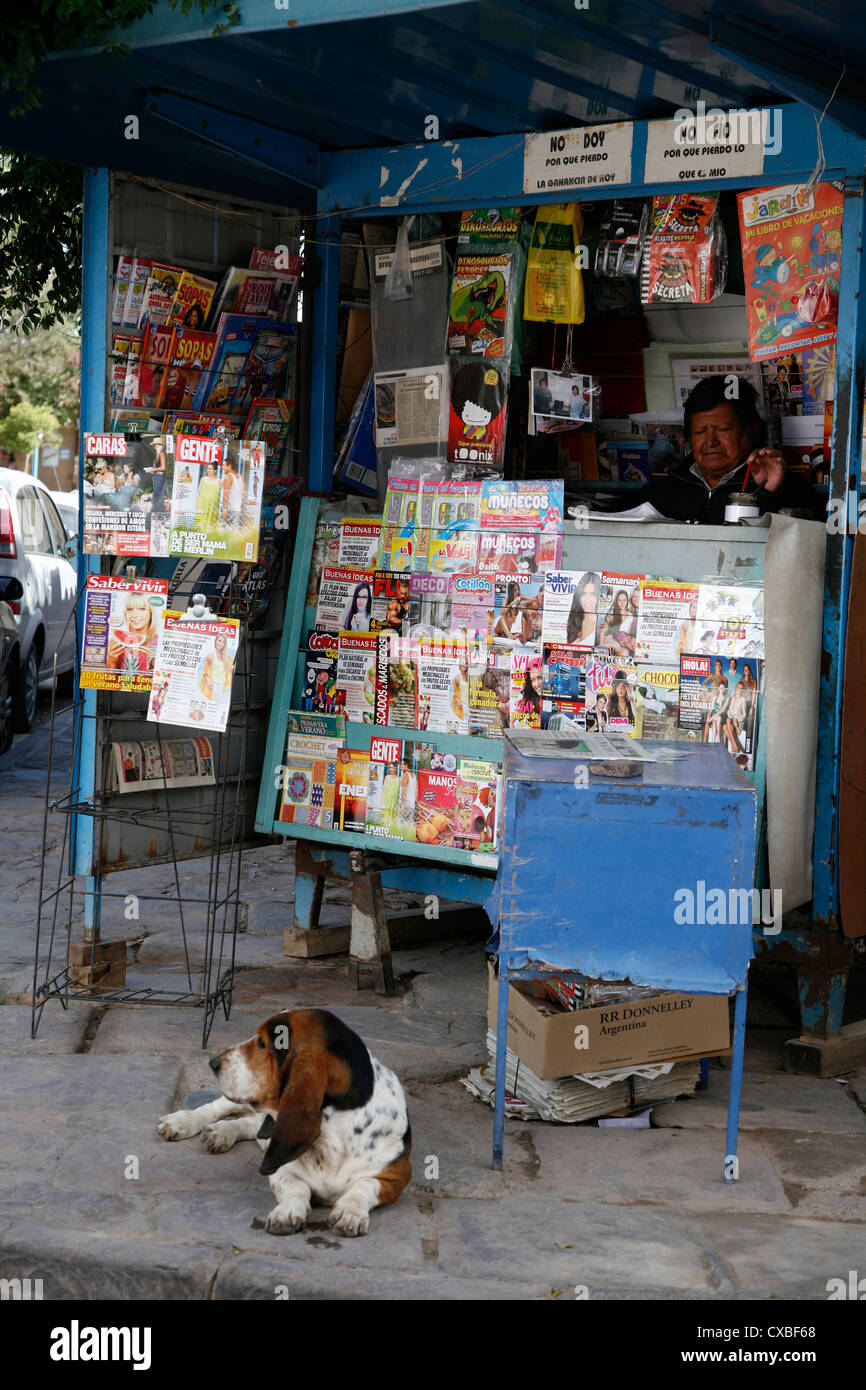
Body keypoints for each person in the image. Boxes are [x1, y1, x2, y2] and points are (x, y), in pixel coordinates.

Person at [609, 375, 820, 523]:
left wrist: (774, 492)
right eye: (700, 431)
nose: (710, 442)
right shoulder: (664, 491)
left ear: (751, 431)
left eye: (723, 429)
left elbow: (814, 536)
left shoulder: (782, 486)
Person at [106, 593, 159, 674]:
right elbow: (108, 683)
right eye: (130, 609)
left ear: (151, 612)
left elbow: (163, 683)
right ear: (125, 613)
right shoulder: (115, 644)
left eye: (142, 609)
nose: (134, 615)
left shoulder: (159, 643)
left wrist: (154, 665)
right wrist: (111, 661)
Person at [596, 589, 636, 656]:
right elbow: (602, 632)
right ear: (616, 601)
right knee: (614, 643)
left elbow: (627, 634)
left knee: (625, 652)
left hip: (620, 643)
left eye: (624, 600)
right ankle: (599, 651)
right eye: (619, 600)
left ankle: (599, 650)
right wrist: (601, 643)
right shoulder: (611, 614)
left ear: (627, 601)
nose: (622, 603)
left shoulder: (630, 616)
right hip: (609, 639)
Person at [566, 572, 600, 645]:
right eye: (584, 594)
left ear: (598, 596)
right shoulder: (574, 622)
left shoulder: (600, 625)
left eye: (592, 594)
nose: (587, 599)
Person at [199, 632, 233, 702]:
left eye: (223, 642)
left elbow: (231, 669)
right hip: (212, 685)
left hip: (221, 686)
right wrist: (208, 680)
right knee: (209, 702)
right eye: (219, 640)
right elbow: (205, 672)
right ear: (215, 641)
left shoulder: (226, 656)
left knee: (220, 705)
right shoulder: (211, 655)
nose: (221, 643)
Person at [195, 462, 221, 530]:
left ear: (215, 470)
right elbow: (199, 493)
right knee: (200, 524)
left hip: (213, 507)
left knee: (211, 525)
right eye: (207, 469)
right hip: (202, 505)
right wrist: (196, 505)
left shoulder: (219, 481)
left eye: (210, 469)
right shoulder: (203, 479)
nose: (208, 470)